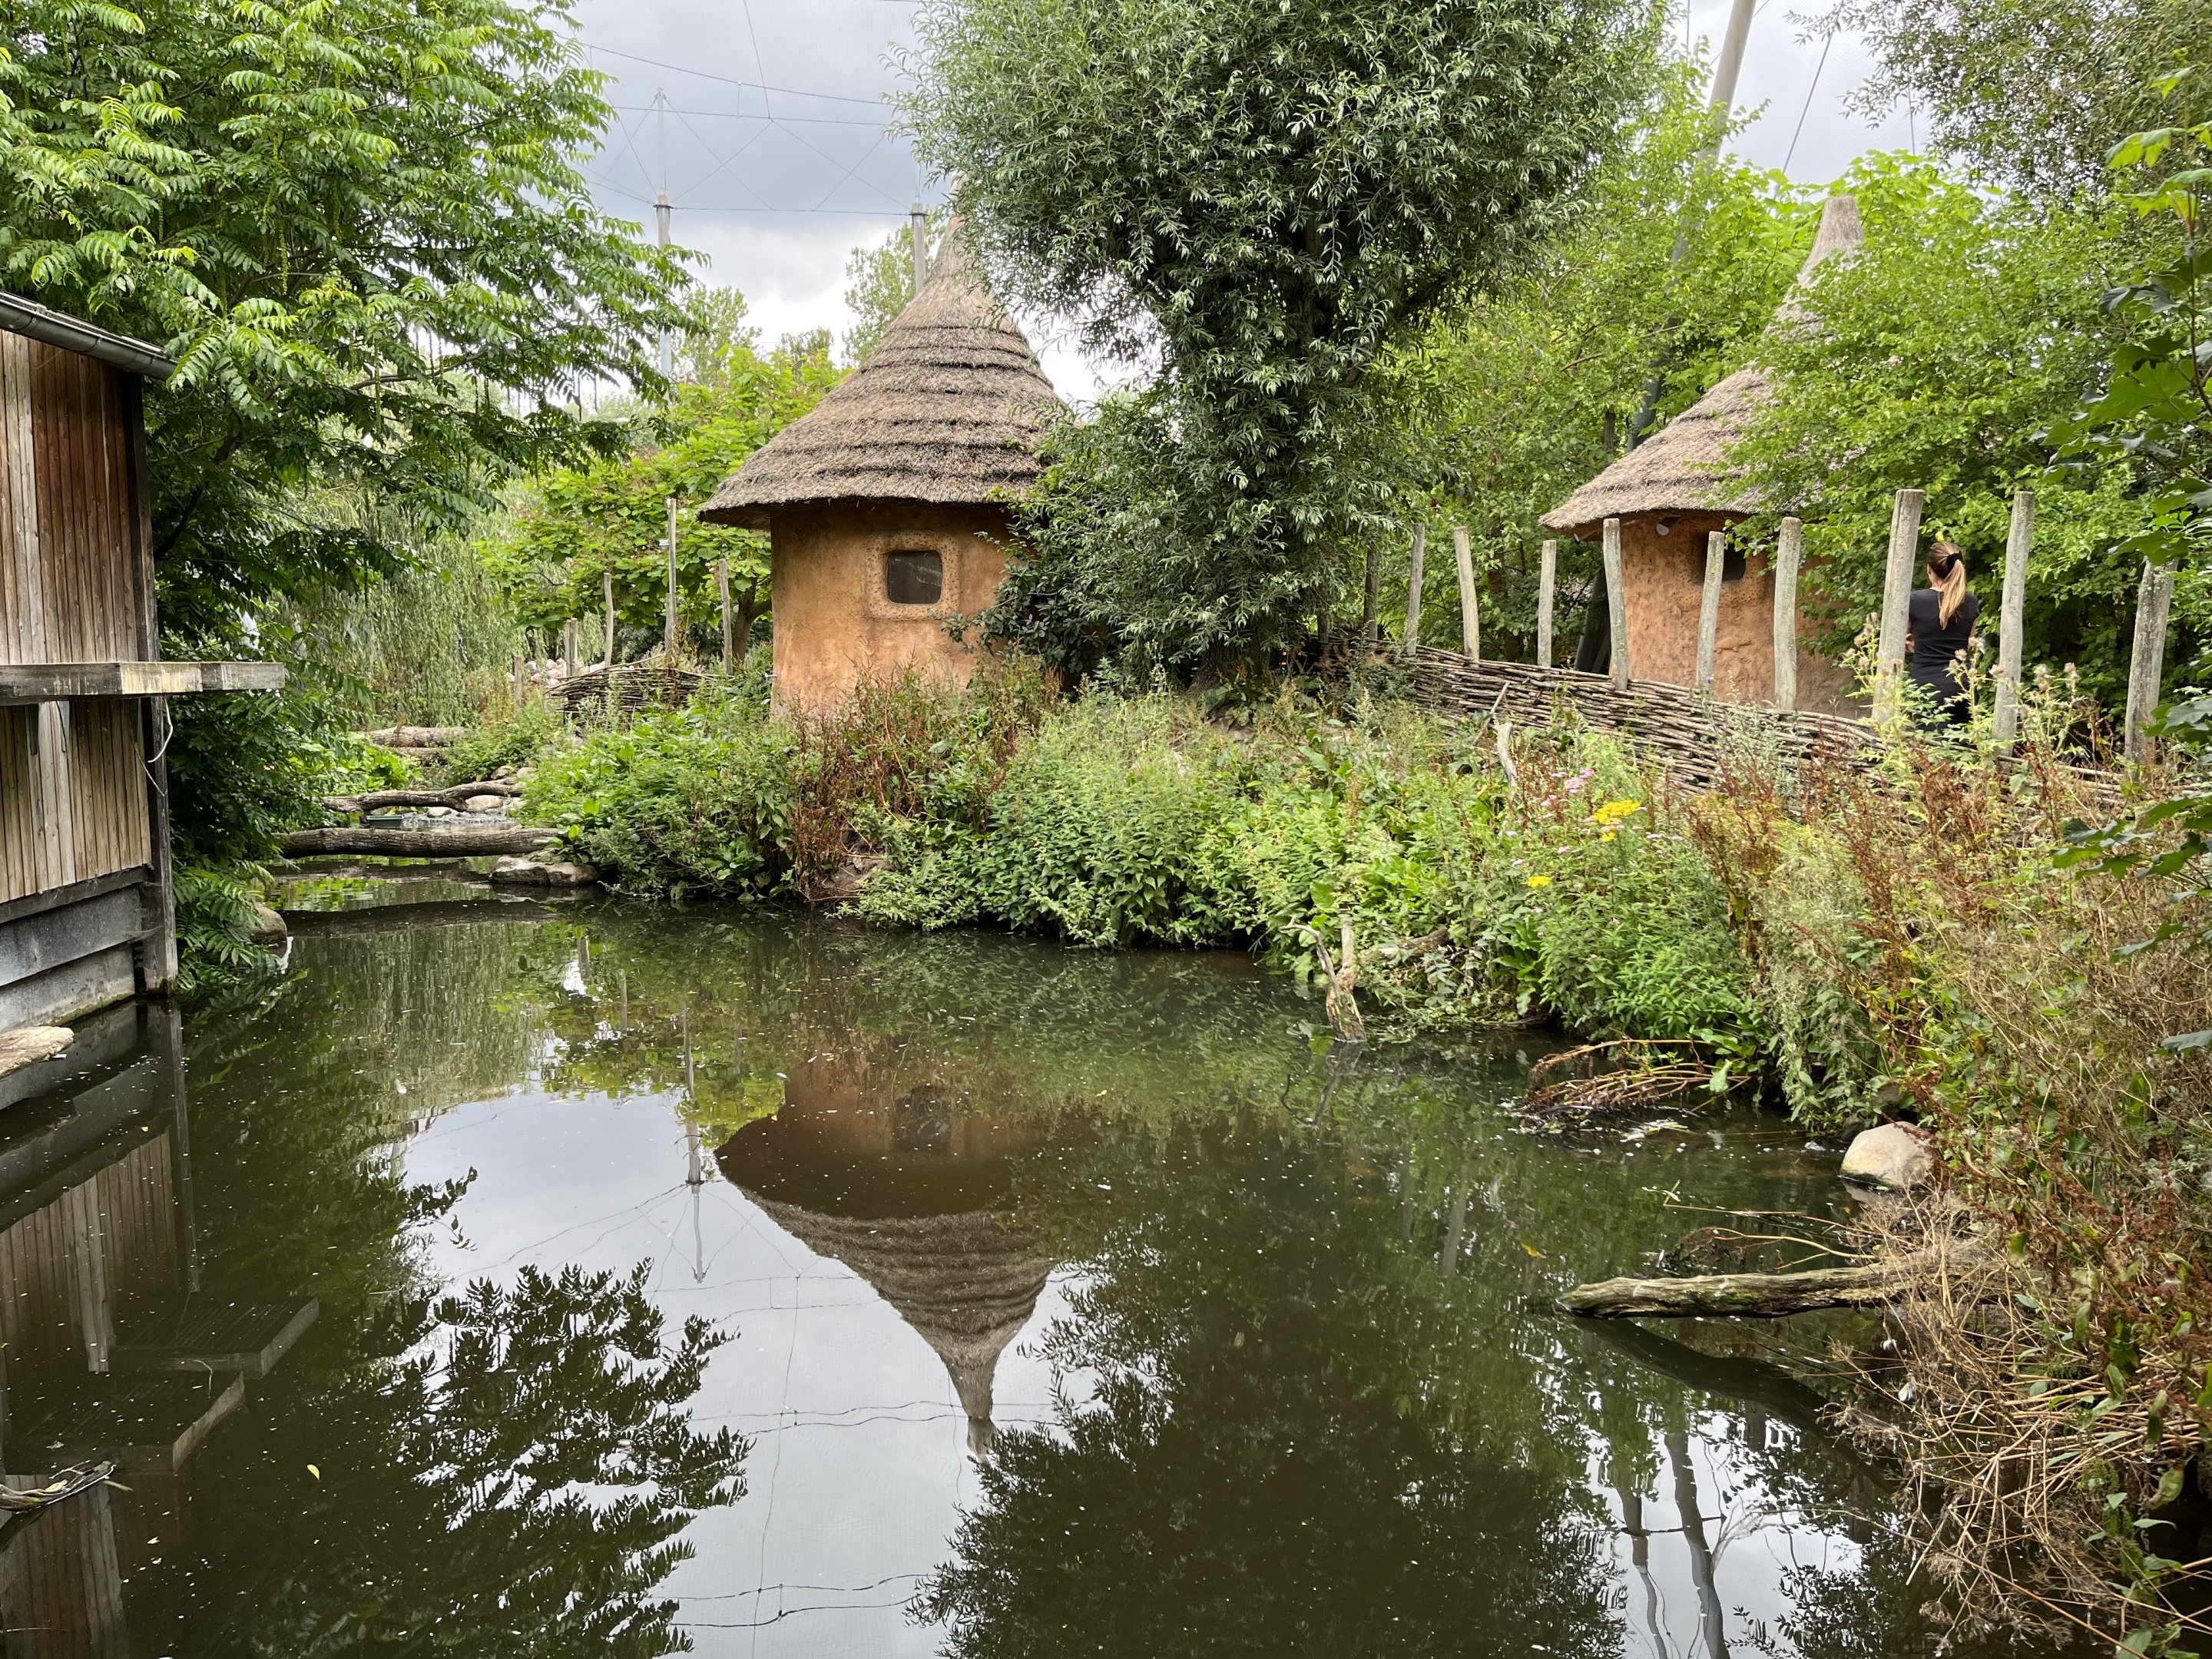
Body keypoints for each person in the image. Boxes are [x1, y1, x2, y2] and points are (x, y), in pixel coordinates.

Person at [1906, 541, 1980, 727]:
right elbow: (1970, 640)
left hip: (1927, 689)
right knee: (1964, 752)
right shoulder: (1971, 602)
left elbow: (1902, 641)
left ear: (1929, 569)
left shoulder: (1914, 601)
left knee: (1929, 752)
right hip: (1963, 687)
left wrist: (1912, 645)